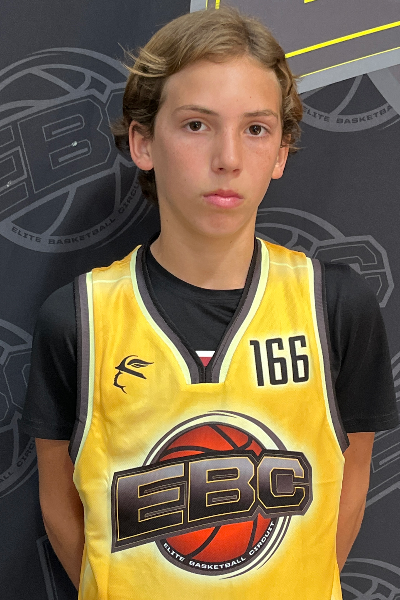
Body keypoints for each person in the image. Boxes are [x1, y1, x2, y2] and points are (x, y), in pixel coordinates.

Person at [22, 6, 398, 600]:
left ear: (281, 152)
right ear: (143, 142)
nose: (228, 158)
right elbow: (60, 506)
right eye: (197, 124)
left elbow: (347, 488)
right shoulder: (78, 319)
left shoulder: (335, 307)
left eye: (256, 129)